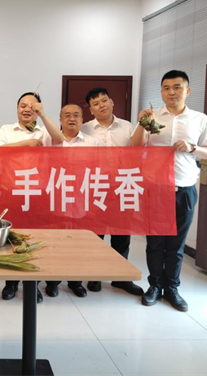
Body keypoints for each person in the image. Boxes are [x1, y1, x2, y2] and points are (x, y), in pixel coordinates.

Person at [132, 70, 207, 312]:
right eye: (166, 88)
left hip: (184, 188)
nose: (171, 92)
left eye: (177, 87)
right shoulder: (152, 117)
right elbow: (135, 146)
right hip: (155, 188)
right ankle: (154, 286)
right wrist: (141, 122)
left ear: (187, 91)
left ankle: (172, 288)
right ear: (161, 91)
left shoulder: (200, 119)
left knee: (176, 245)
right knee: (155, 243)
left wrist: (192, 148)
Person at [0, 92, 65, 303]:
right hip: (11, 192)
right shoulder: (7, 129)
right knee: (10, 239)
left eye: (32, 106)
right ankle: (11, 283)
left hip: (37, 194)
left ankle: (32, 284)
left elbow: (59, 139)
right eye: (23, 105)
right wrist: (26, 143)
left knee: (34, 239)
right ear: (17, 108)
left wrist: (43, 115)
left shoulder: (44, 131)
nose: (27, 109)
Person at [80, 88, 144, 297]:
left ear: (112, 101)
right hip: (95, 187)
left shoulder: (127, 127)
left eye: (104, 100)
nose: (102, 105)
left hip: (122, 186)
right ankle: (95, 275)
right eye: (96, 103)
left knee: (121, 235)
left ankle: (120, 277)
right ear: (91, 110)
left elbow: (138, 151)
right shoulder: (85, 128)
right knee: (96, 234)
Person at [45, 104, 103, 299]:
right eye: (67, 115)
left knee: (78, 244)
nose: (72, 119)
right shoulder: (51, 140)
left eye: (76, 115)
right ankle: (52, 281)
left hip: (81, 201)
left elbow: (99, 171)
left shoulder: (92, 143)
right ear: (60, 120)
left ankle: (75, 281)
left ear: (82, 120)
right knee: (54, 243)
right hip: (54, 201)